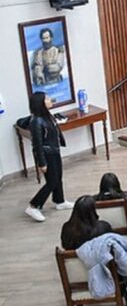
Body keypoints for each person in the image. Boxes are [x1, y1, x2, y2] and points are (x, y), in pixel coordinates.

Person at [26, 92, 72, 222]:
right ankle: (34, 205)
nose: (49, 99)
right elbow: (37, 144)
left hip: (54, 151)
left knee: (58, 178)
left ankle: (60, 201)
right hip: (46, 154)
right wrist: (42, 163)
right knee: (52, 181)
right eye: (46, 99)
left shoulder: (48, 116)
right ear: (40, 103)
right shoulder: (36, 121)